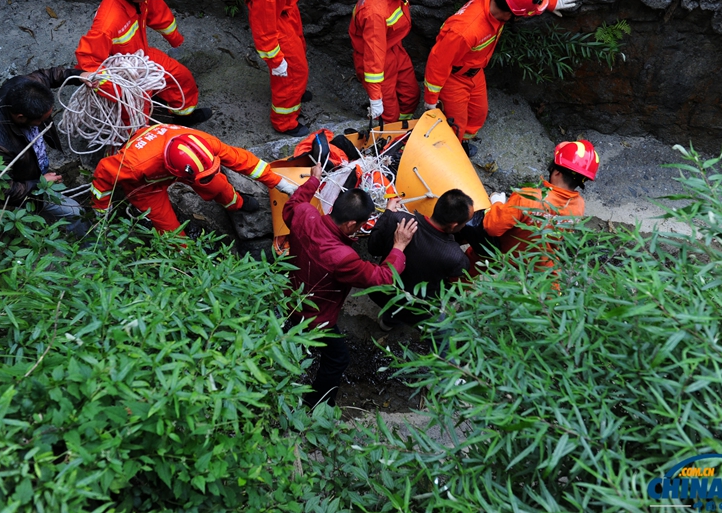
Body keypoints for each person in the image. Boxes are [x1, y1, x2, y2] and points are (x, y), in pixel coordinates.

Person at [283, 163, 417, 407]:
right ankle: (318, 406)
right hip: (317, 315)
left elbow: (292, 204)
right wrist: (399, 246)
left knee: (291, 330)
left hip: (290, 293)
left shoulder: (304, 214)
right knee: (337, 359)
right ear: (351, 225)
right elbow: (383, 278)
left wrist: (314, 181)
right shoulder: (343, 258)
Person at [422, 0, 578, 156]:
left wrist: (549, 1)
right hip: (454, 78)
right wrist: (431, 100)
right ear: (511, 14)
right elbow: (438, 62)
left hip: (474, 71)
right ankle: (448, 154)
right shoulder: (464, 31)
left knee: (478, 114)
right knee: (455, 123)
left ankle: (462, 143)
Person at [75, 0, 211, 126]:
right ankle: (129, 143)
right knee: (135, 113)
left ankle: (183, 117)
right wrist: (118, 91)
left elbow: (158, 12)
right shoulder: (107, 23)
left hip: (141, 57)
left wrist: (174, 38)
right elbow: (89, 62)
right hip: (121, 73)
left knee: (180, 77)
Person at [90, 124, 295, 233]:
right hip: (146, 186)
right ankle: (184, 258)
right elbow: (102, 178)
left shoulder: (204, 144)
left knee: (218, 185)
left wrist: (279, 182)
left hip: (186, 169)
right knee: (168, 230)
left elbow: (244, 161)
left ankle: (237, 204)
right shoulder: (133, 165)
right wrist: (101, 211)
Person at [241, 0, 329, 137]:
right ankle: (285, 121)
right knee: (292, 72)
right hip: (274, 15)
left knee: (299, 50)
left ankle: (295, 93)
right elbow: (264, 27)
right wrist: (274, 59)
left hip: (285, 9)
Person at [0, 67, 89, 237]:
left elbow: (48, 75)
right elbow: (2, 190)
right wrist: (40, 183)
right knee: (75, 213)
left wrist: (78, 76)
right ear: (21, 117)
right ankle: (88, 248)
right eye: (41, 120)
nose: (46, 123)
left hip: (31, 163)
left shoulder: (25, 87)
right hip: (25, 184)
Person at [471, 140, 599, 265]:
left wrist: (497, 203)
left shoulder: (528, 198)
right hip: (537, 265)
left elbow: (492, 227)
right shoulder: (578, 206)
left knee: (473, 256)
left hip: (504, 256)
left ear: (557, 171)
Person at [367, 189, 474, 330]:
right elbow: (451, 289)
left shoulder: (399, 221)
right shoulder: (456, 258)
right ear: (454, 225)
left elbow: (373, 248)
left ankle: (387, 322)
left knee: (391, 310)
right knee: (403, 315)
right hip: (412, 306)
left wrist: (387, 215)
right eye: (465, 222)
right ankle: (388, 323)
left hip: (380, 291)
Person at [349, 0, 432, 123]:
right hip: (378, 59)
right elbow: (373, 58)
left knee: (411, 96)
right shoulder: (375, 13)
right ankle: (388, 134)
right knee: (388, 114)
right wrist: (375, 97)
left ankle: (401, 126)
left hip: (393, 47)